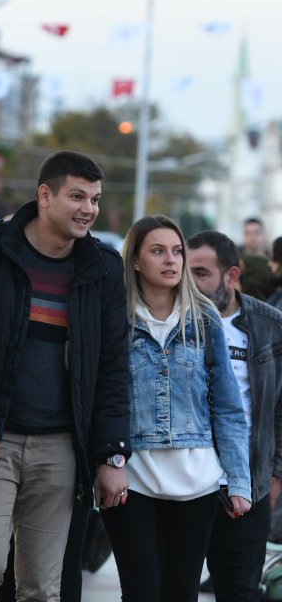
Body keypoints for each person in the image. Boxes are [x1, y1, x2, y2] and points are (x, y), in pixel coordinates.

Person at [0, 150, 131, 602]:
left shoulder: (103, 269)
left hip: (61, 447)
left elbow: (112, 366)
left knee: (42, 587)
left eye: (94, 198)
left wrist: (112, 456)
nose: (88, 208)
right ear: (45, 195)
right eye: (77, 196)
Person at [103, 216, 251, 602]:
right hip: (131, 478)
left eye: (176, 251)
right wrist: (107, 460)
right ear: (135, 260)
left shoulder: (204, 319)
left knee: (181, 593)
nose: (171, 260)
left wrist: (238, 480)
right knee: (141, 592)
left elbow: (228, 406)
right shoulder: (115, 318)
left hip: (197, 482)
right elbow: (103, 395)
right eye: (157, 251)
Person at [187, 230, 282, 600]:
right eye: (185, 273)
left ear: (231, 276)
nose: (190, 284)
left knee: (240, 591)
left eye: (201, 273)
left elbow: (279, 408)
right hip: (184, 483)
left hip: (247, 485)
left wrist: (274, 477)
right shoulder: (173, 320)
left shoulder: (269, 326)